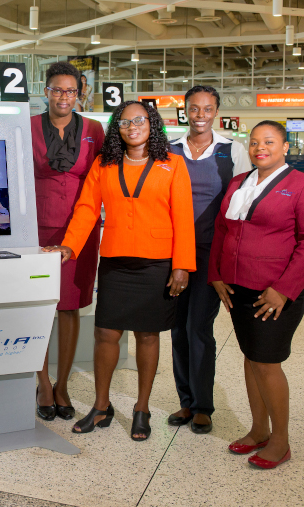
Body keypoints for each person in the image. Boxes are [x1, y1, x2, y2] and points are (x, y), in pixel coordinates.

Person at [44, 101, 195, 441]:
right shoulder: (104, 164)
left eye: (139, 120)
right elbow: (85, 209)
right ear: (118, 129)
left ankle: (141, 408)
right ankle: (101, 406)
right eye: (125, 122)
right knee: (105, 334)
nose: (132, 126)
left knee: (147, 335)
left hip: (157, 262)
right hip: (115, 260)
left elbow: (183, 217)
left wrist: (183, 264)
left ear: (152, 124)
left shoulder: (173, 165)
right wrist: (70, 245)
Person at [210, 120, 304, 469]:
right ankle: (258, 429)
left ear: (285, 147)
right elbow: (221, 230)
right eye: (256, 142)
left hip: (276, 290)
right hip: (238, 286)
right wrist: (216, 274)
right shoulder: (238, 183)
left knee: (266, 361)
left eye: (270, 142)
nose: (261, 148)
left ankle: (280, 440)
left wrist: (284, 290)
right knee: (251, 355)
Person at [167, 86, 251, 434]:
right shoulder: (169, 150)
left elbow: (244, 202)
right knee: (176, 328)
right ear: (184, 111)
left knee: (198, 327)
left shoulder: (232, 150)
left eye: (207, 109)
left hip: (210, 252)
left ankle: (203, 405)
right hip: (172, 253)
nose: (200, 114)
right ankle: (185, 401)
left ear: (216, 111)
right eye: (194, 108)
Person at [32, 61, 105, 422]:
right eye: (57, 90)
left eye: (71, 91)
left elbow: (104, 178)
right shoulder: (28, 127)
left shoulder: (94, 129)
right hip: (38, 230)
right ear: (46, 92)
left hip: (80, 230)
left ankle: (63, 383)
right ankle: (43, 381)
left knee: (70, 307)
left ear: (80, 94)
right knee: (41, 306)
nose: (64, 97)